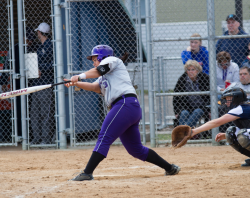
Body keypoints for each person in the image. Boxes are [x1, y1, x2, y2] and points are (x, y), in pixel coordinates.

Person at [64, 45, 181, 181]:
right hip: (129, 108)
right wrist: (76, 83)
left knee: (104, 136)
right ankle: (170, 168)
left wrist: (79, 76)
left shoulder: (113, 61)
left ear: (103, 57)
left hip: (124, 104)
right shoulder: (105, 76)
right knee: (135, 149)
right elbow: (95, 87)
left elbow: (98, 70)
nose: (93, 62)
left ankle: (87, 172)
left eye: (95, 58)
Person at [188, 87, 250, 167]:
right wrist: (225, 135)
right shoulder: (243, 107)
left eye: (229, 99)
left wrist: (195, 131)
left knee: (243, 135)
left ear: (237, 99)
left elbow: (216, 122)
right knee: (230, 133)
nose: (227, 102)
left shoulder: (241, 108)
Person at [0, 27, 37, 139]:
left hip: (32, 82)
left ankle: (31, 135)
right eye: (27, 39)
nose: (29, 42)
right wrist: (3, 81)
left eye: (31, 39)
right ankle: (21, 135)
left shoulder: (34, 47)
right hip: (19, 83)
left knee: (32, 109)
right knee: (20, 109)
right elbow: (7, 66)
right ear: (23, 38)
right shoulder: (15, 48)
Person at [29, 22, 55, 145]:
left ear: (39, 32)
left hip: (46, 83)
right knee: (35, 112)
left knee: (45, 112)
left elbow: (54, 65)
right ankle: (37, 137)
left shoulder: (51, 46)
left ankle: (46, 138)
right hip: (37, 83)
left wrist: (41, 69)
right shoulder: (39, 47)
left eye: (37, 32)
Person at [173, 60, 210, 129]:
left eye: (193, 69)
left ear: (198, 70)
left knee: (197, 111)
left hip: (202, 106)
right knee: (184, 113)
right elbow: (176, 97)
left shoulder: (205, 78)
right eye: (188, 70)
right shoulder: (182, 79)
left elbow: (210, 97)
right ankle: (185, 132)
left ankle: (182, 132)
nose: (190, 72)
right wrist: (176, 111)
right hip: (188, 106)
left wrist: (210, 110)